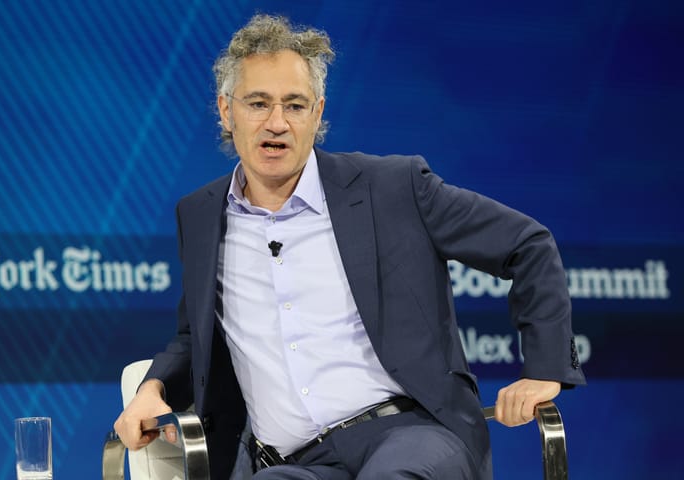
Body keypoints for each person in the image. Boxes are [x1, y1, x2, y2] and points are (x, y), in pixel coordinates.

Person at [114, 14, 585, 480]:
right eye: (258, 103)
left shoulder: (393, 187)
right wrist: (153, 387)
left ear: (317, 114)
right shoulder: (200, 215)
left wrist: (545, 369)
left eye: (295, 105)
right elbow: (194, 337)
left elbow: (527, 245)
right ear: (225, 110)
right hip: (297, 462)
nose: (277, 123)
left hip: (413, 433)